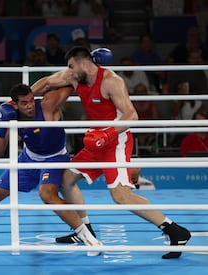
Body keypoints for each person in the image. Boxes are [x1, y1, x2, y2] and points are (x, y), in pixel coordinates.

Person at [31, 46, 191, 259]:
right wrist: (18, 99)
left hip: (115, 141)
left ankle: (174, 230)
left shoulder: (111, 81)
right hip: (94, 141)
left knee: (121, 196)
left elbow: (132, 115)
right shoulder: (75, 77)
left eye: (71, 66)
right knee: (66, 179)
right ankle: (85, 231)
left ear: (84, 63)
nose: (67, 70)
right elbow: (47, 83)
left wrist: (106, 134)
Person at [0, 83, 102, 256]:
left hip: (55, 158)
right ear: (16, 105)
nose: (30, 106)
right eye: (25, 103)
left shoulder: (47, 105)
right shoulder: (14, 117)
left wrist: (84, 71)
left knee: (47, 194)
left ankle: (88, 237)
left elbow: (70, 83)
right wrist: (2, 125)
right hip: (29, 159)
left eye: (31, 100)